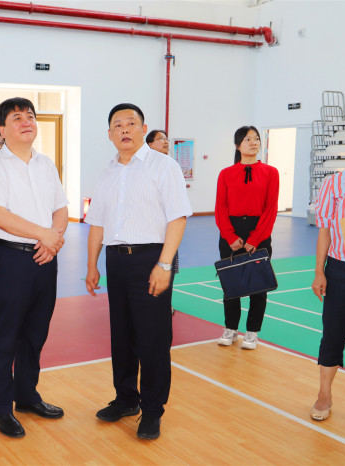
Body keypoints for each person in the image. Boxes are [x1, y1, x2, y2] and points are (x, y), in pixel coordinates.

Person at [85, 103, 192, 440]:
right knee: (122, 336)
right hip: (116, 260)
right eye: (118, 125)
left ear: (143, 129)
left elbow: (178, 217)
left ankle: (152, 410)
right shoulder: (107, 173)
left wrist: (164, 264)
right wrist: (91, 265)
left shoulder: (164, 166)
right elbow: (97, 224)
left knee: (153, 339)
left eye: (131, 123)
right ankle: (126, 399)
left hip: (151, 260)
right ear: (109, 134)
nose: (124, 129)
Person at [0, 97, 68, 438]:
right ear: (2, 128)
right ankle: (0, 409)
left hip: (46, 257)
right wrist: (46, 235)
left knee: (35, 333)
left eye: (30, 116)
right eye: (17, 117)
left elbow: (61, 208)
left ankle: (26, 396)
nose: (26, 121)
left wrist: (52, 240)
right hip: (9, 258)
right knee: (6, 336)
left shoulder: (46, 164)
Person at [215, 126, 279, 350]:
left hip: (259, 232)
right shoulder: (225, 174)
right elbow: (220, 208)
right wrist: (230, 236)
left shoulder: (271, 172)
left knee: (258, 286)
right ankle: (231, 328)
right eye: (248, 139)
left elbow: (271, 209)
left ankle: (252, 332)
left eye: (256, 139)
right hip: (231, 233)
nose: (254, 142)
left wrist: (256, 238)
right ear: (237, 145)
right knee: (230, 284)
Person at [310, 167, 345, 421]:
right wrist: (319, 271)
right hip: (341, 272)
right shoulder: (335, 183)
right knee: (333, 336)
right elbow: (324, 230)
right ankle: (324, 394)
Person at [146, 129, 178, 315]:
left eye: (167, 139)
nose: (165, 142)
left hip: (168, 230)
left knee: (168, 269)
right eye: (161, 139)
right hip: (149, 233)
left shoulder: (171, 166)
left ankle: (166, 304)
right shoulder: (143, 167)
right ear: (150, 144)